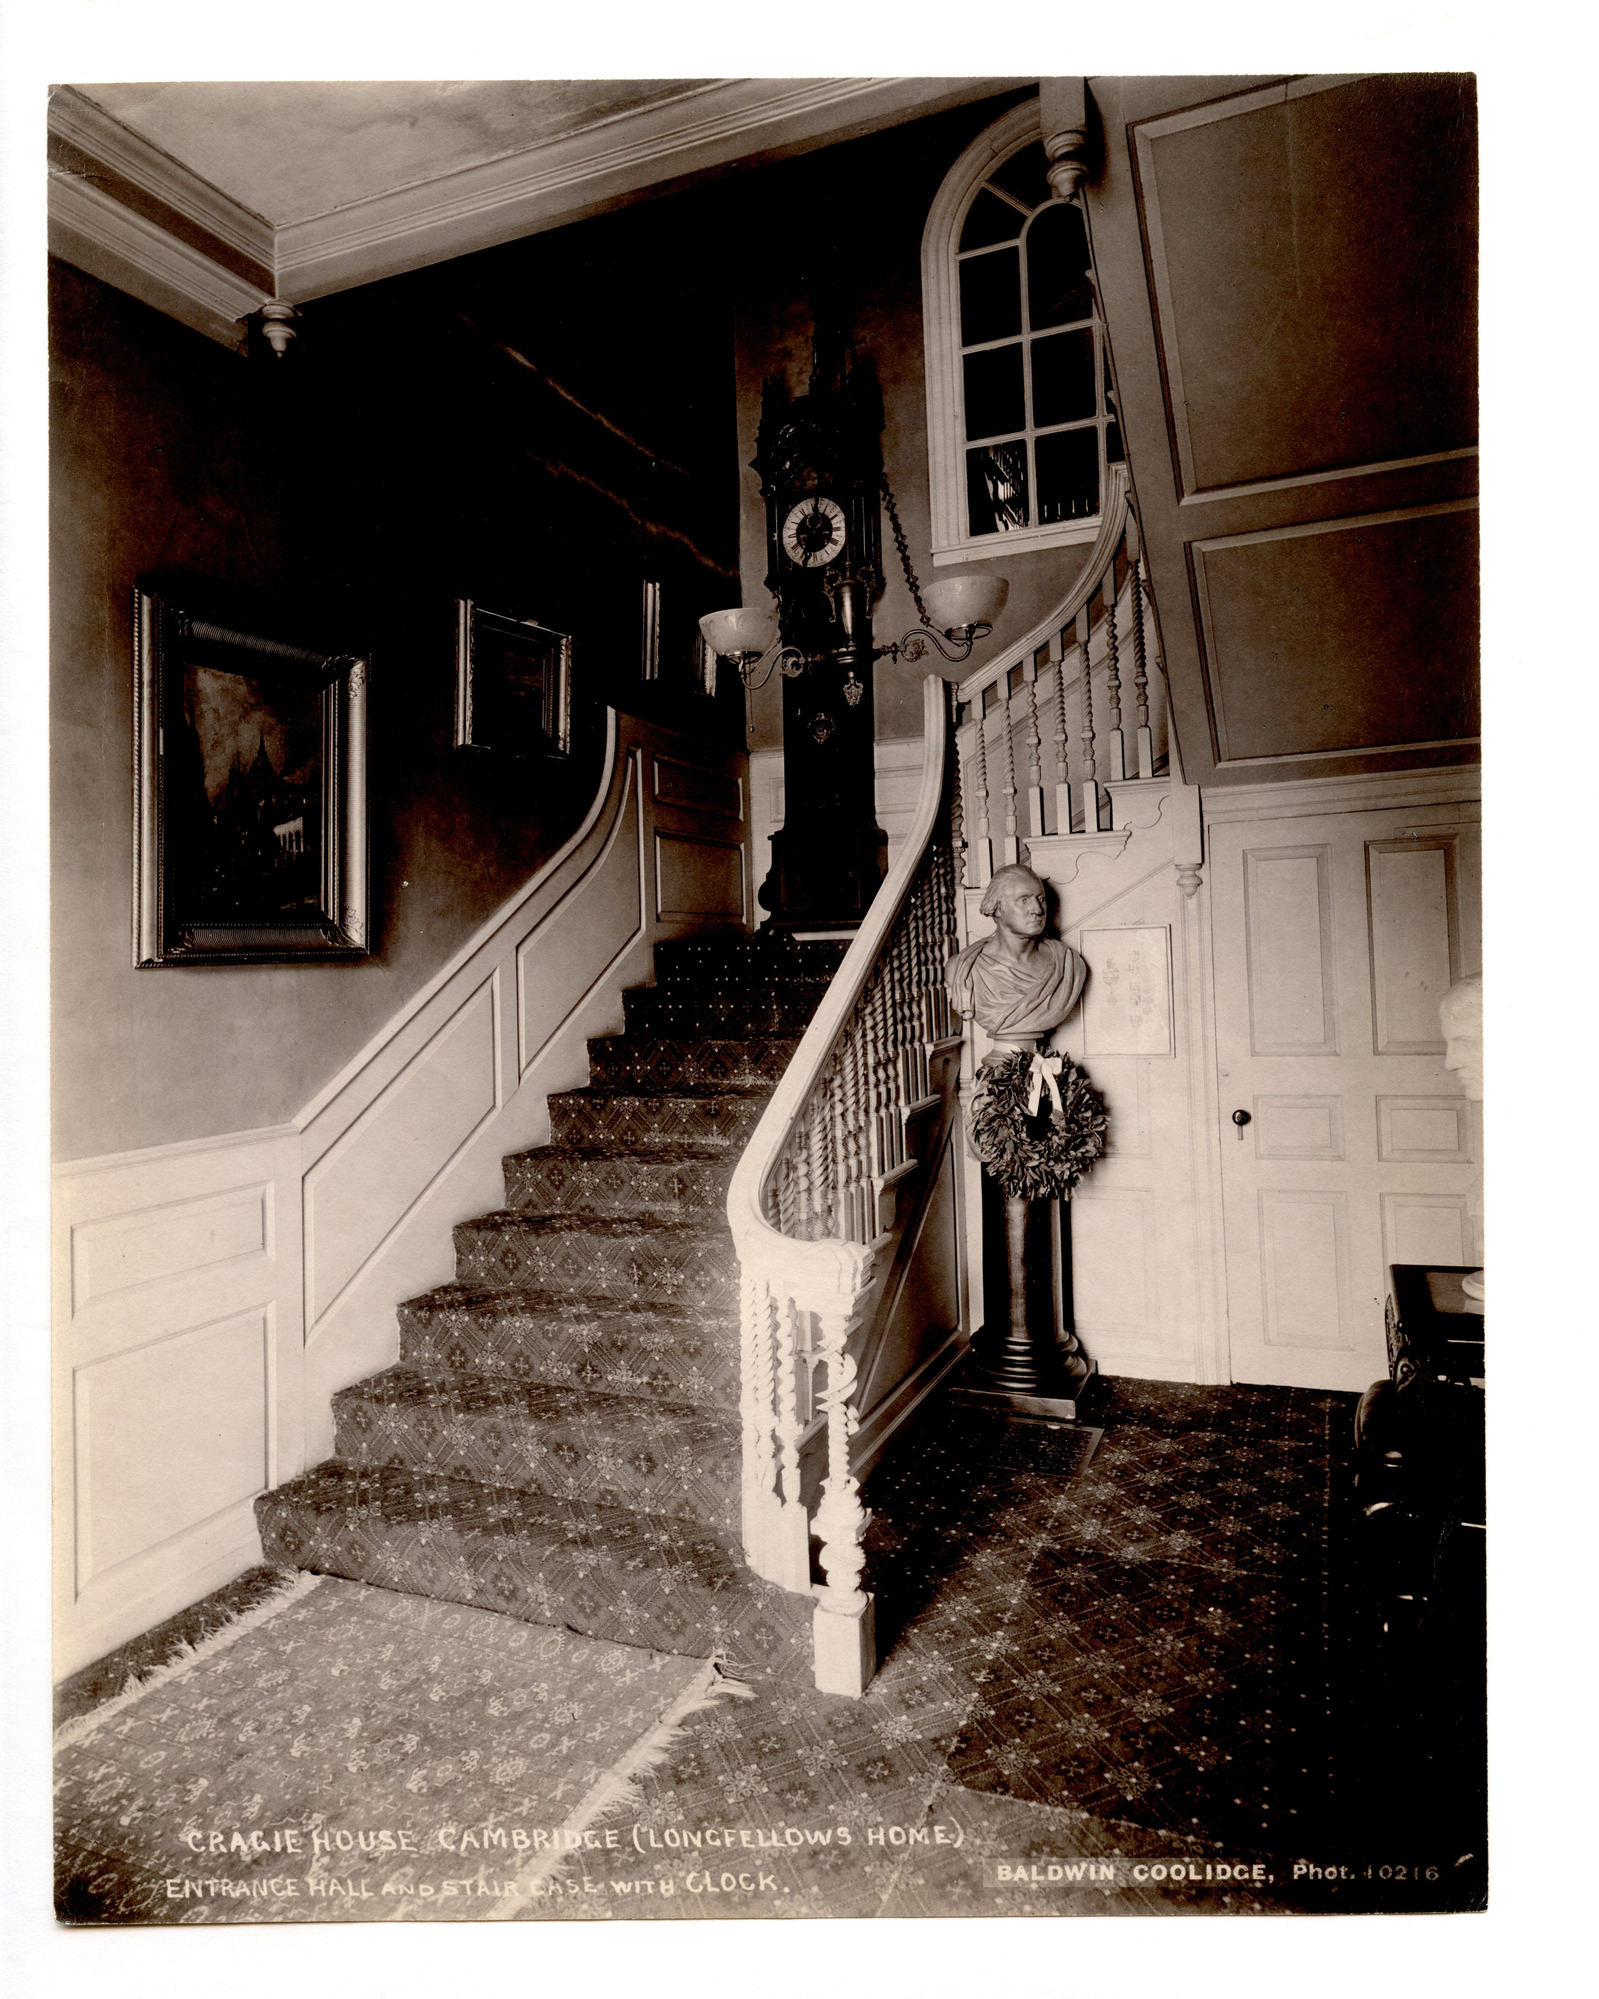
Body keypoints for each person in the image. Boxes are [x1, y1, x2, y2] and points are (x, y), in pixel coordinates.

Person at [945, 863, 1086, 1048]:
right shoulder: (962, 969)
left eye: (1041, 898)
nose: (1038, 909)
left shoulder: (1068, 963)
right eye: (1024, 899)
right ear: (997, 907)